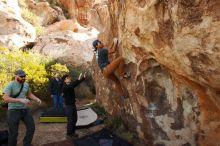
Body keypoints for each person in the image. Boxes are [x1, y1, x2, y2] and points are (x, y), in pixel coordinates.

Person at [2, 69, 42, 146]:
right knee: (13, 133)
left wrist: (37, 99)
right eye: (21, 76)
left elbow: (29, 94)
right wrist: (20, 100)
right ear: (15, 76)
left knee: (31, 128)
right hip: (13, 111)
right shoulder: (10, 85)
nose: (23, 78)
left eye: (24, 76)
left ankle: (27, 144)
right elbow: (5, 98)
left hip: (25, 110)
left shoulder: (26, 85)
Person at [62, 72, 86, 138]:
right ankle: (69, 134)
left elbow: (75, 84)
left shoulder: (70, 85)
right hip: (68, 106)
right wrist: (78, 79)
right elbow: (72, 85)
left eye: (68, 78)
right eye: (67, 78)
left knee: (75, 119)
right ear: (64, 81)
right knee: (71, 120)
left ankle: (72, 132)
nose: (69, 78)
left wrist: (83, 78)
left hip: (73, 105)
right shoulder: (64, 87)